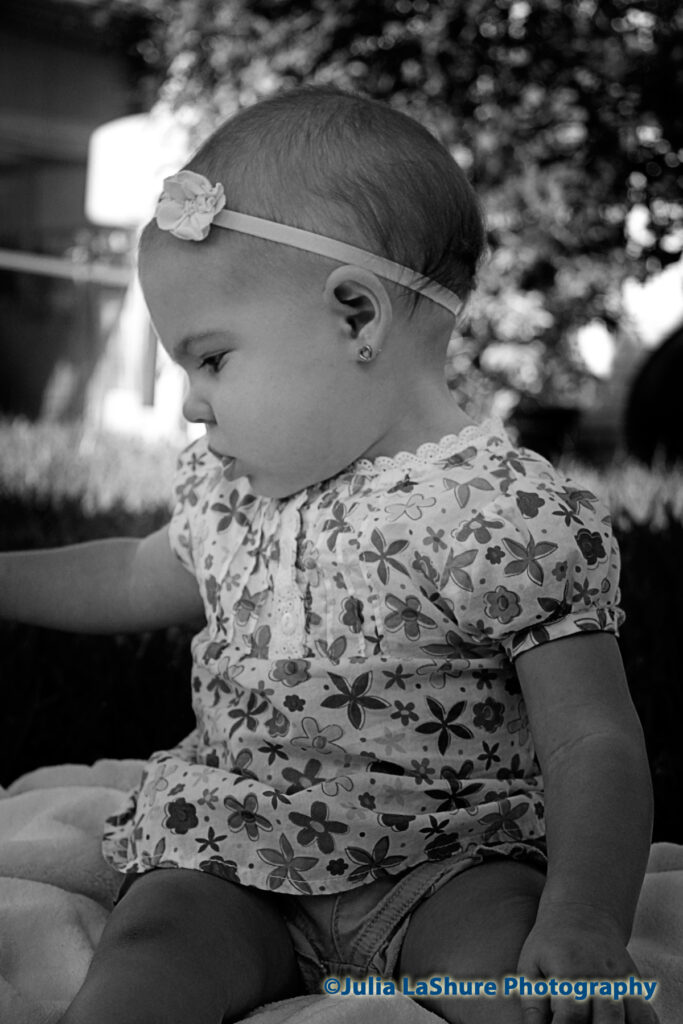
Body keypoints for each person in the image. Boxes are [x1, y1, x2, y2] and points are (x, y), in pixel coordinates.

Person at [0, 85, 657, 1024]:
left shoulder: (500, 513)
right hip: (237, 856)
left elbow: (590, 738)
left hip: (447, 864)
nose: (189, 402)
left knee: (523, 991)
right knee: (148, 958)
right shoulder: (233, 492)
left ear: (355, 317)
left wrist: (585, 918)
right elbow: (137, 572)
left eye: (210, 358)